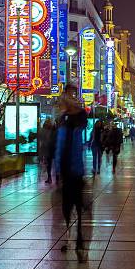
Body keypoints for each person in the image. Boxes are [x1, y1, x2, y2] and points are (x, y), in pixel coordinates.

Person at [55, 84, 87, 250]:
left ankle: (75, 235)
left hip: (71, 169)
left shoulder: (71, 121)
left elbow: (61, 148)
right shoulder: (68, 120)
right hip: (73, 168)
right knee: (73, 203)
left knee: (72, 203)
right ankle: (74, 237)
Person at [38, 119, 56, 183]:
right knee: (53, 163)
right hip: (53, 148)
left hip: (47, 148)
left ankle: (49, 177)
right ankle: (55, 177)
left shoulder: (43, 130)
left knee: (49, 163)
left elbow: (41, 139)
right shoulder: (54, 129)